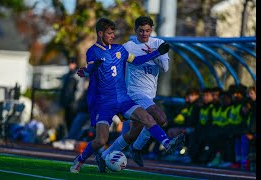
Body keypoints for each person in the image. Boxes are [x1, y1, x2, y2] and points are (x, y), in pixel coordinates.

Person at [70, 17, 182, 173]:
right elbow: (89, 68)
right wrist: (88, 70)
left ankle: (167, 143)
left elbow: (136, 61)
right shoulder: (93, 51)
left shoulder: (119, 50)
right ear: (100, 33)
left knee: (148, 119)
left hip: (123, 99)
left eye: (113, 33)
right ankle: (80, 159)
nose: (112, 36)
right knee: (101, 140)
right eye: (109, 33)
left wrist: (157, 53)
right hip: (105, 103)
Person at [99, 16, 185, 167]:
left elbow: (164, 68)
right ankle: (166, 143)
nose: (144, 34)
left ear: (152, 30)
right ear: (135, 30)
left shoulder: (158, 44)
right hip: (133, 93)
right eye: (141, 31)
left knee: (133, 133)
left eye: (147, 30)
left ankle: (105, 155)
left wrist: (156, 53)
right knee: (160, 118)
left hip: (149, 94)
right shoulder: (128, 46)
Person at [58, 58, 85, 137]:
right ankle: (69, 136)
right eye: (69, 63)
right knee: (67, 121)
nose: (70, 65)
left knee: (73, 122)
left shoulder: (78, 75)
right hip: (66, 103)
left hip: (74, 104)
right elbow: (64, 89)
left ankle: (73, 137)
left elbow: (80, 89)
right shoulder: (67, 75)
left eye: (72, 63)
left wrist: (75, 101)